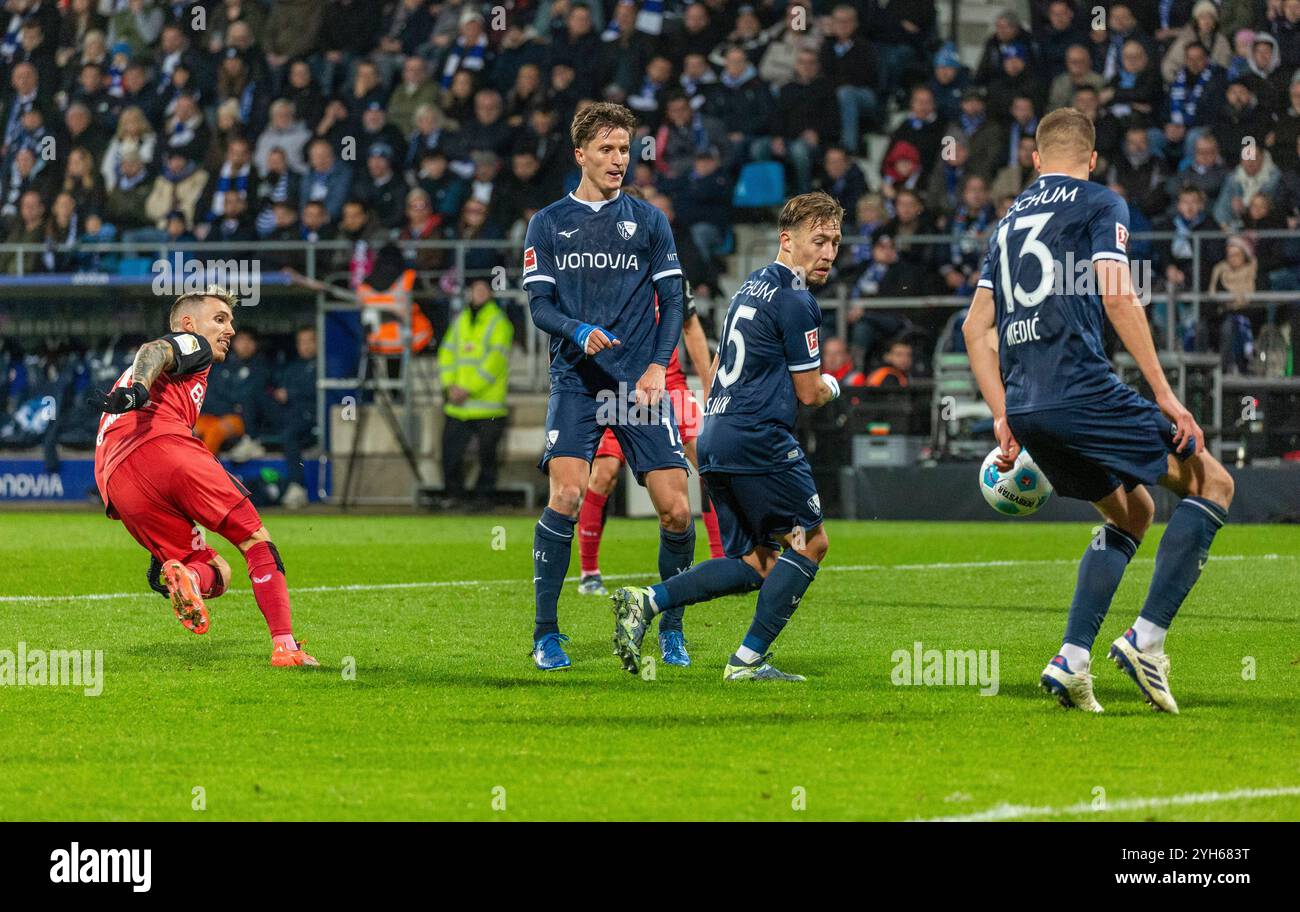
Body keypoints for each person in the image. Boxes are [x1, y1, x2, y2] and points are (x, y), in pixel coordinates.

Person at [962, 107, 1235, 714]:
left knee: (1134, 511)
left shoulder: (1005, 225)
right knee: (1214, 481)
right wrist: (1164, 393)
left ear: (1034, 159)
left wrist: (1003, 415)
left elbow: (973, 329)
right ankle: (1147, 641)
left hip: (1030, 408)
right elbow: (1117, 289)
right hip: (1082, 391)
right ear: (1091, 159)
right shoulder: (1099, 200)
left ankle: (1073, 659)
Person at [609, 192, 844, 682]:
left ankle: (647, 599)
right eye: (818, 241)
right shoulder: (798, 300)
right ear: (787, 240)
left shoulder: (749, 288)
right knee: (811, 542)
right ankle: (748, 660)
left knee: (756, 562)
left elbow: (715, 371)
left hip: (718, 434)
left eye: (835, 242)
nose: (828, 253)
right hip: (759, 439)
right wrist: (835, 386)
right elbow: (808, 392)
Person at [522, 102, 693, 671]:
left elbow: (673, 301)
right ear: (581, 155)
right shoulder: (547, 223)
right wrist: (579, 330)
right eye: (607, 149)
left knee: (675, 511)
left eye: (625, 149)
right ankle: (547, 633)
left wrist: (656, 366)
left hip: (637, 389)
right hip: (576, 383)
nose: (619, 160)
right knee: (567, 496)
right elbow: (539, 305)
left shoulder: (649, 221)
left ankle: (671, 627)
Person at [86, 286, 318, 668]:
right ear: (189, 324)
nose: (229, 330)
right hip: (164, 446)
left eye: (231, 321)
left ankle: (188, 578)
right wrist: (140, 391)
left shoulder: (150, 377)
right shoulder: (192, 344)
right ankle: (285, 648)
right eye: (220, 319)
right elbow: (155, 350)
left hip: (116, 482)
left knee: (215, 570)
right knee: (255, 540)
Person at [575, 274, 723, 668]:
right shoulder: (603, 270)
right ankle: (589, 571)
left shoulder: (672, 274)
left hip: (669, 385)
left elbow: (690, 323)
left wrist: (707, 381)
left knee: (709, 466)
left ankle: (722, 564)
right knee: (602, 475)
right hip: (617, 387)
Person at [438, 279, 513, 505]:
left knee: (487, 456)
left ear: (490, 293)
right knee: (450, 453)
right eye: (475, 289)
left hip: (487, 404)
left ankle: (484, 497)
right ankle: (454, 495)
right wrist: (449, 385)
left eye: (483, 289)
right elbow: (446, 354)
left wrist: (466, 389)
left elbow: (494, 363)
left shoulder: (499, 323)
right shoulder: (461, 320)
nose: (478, 293)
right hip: (458, 405)